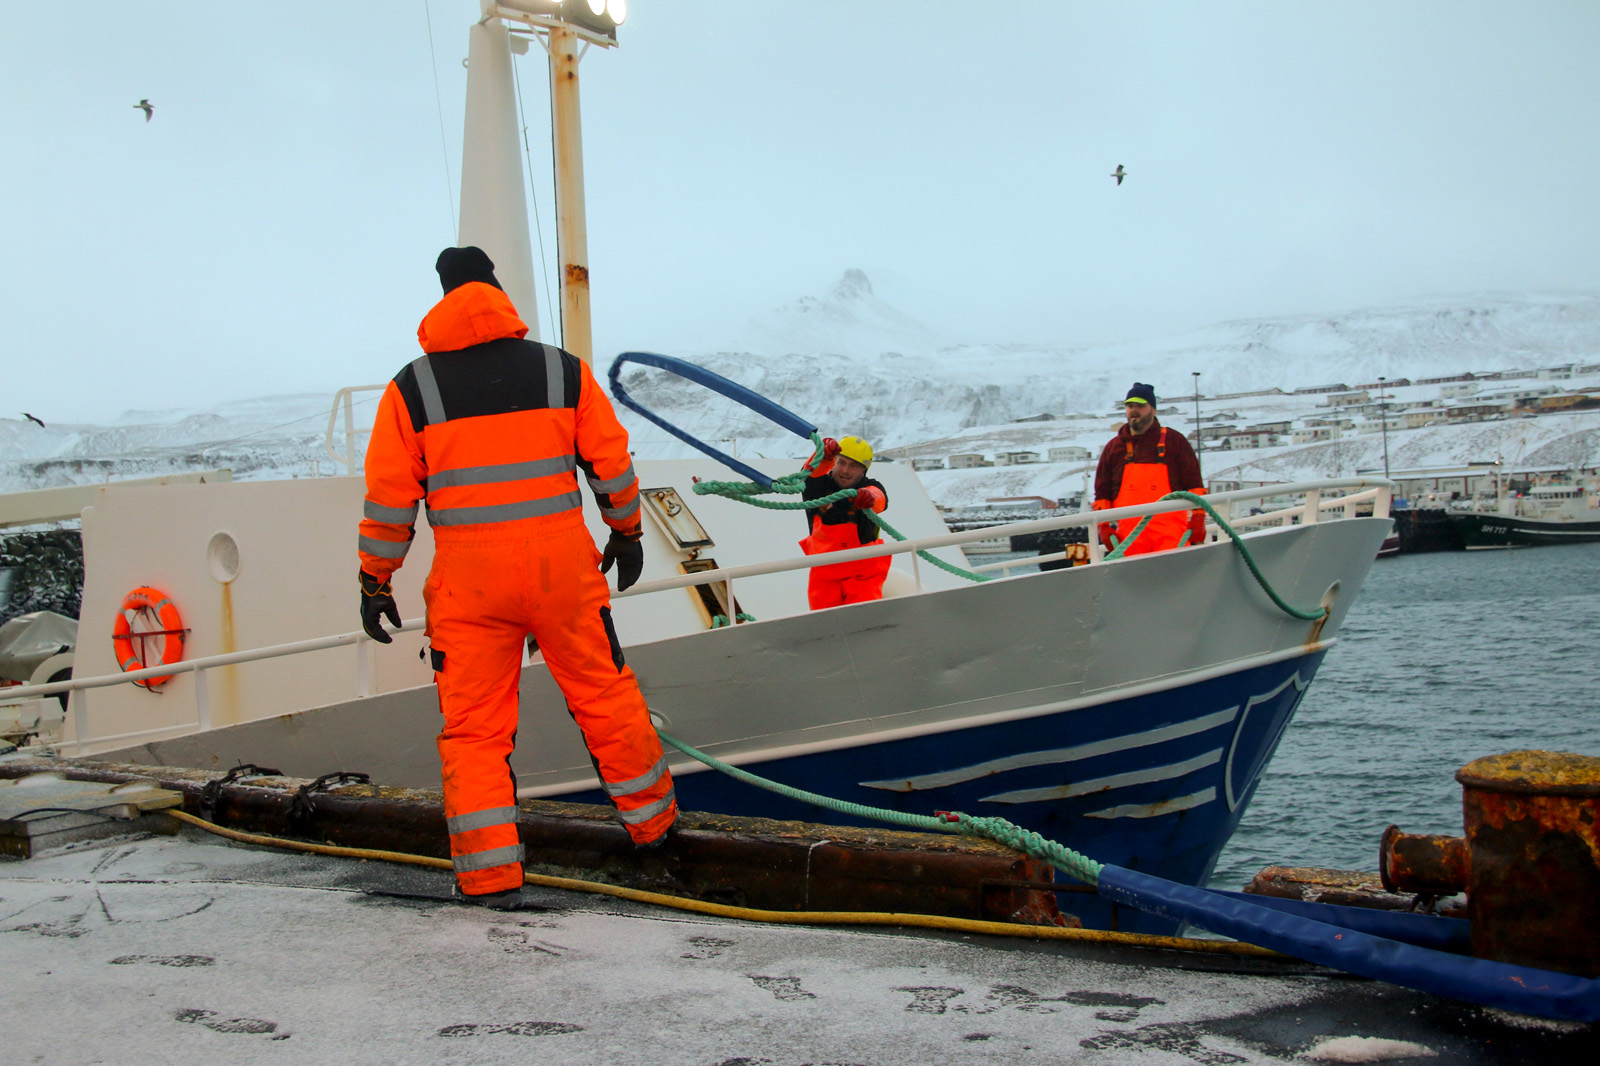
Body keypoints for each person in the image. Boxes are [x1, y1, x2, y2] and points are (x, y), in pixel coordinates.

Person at [357, 246, 677, 908]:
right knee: (605, 696)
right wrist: (627, 532)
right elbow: (610, 464)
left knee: (474, 730)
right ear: (497, 291)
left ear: (443, 298)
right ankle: (657, 833)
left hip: (469, 583)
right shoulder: (564, 372)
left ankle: (489, 875)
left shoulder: (412, 389)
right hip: (561, 568)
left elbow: (390, 500)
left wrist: (375, 581)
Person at [1092, 383, 1207, 555]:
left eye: (1140, 406)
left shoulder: (1174, 441)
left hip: (1171, 536)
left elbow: (1194, 483)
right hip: (1129, 538)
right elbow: (1102, 492)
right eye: (1130, 406)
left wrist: (1198, 517)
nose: (1134, 410)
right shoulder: (1113, 448)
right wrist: (1103, 526)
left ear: (1153, 410)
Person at [798, 436, 891, 609]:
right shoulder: (818, 487)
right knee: (825, 624)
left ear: (863, 471)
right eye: (841, 463)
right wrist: (822, 456)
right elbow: (809, 473)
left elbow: (880, 498)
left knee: (864, 619)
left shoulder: (870, 486)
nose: (845, 470)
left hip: (863, 573)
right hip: (823, 574)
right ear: (834, 463)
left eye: (853, 465)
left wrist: (869, 498)